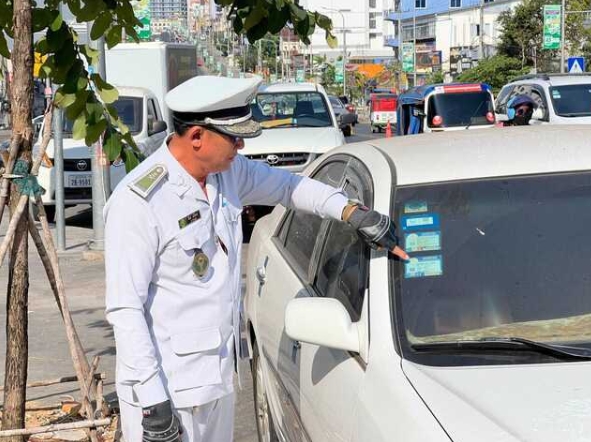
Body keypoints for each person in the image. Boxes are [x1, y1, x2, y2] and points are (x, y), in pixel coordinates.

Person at [104, 75, 408, 442]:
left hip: (215, 378)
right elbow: (125, 308)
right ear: (197, 137)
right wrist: (153, 403)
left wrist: (351, 212)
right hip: (168, 391)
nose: (241, 144)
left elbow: (289, 187)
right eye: (232, 137)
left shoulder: (227, 175)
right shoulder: (139, 201)